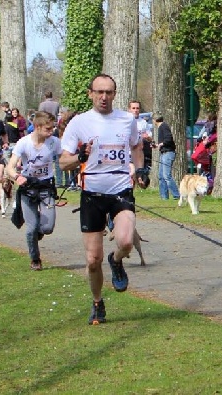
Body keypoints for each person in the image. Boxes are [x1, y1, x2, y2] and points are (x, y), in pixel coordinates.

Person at [59, 73, 149, 325]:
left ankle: (117, 259)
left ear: (114, 94)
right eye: (99, 92)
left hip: (121, 190)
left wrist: (140, 170)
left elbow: (136, 147)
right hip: (92, 194)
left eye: (109, 92)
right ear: (90, 93)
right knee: (92, 260)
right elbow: (63, 162)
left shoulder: (126, 120)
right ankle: (97, 303)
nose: (104, 97)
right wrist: (80, 156)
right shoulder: (79, 123)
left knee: (125, 240)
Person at [6, 111, 62, 271]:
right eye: (48, 129)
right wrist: (17, 177)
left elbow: (65, 158)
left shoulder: (54, 142)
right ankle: (35, 259)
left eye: (52, 129)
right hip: (27, 188)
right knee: (31, 229)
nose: (51, 132)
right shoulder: (24, 143)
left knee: (47, 228)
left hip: (46, 188)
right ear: (37, 127)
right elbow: (10, 167)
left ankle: (38, 231)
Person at [153, 113, 181, 200]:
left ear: (154, 120)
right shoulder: (161, 127)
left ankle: (177, 195)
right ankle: (164, 197)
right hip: (163, 153)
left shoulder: (163, 126)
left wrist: (161, 144)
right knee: (161, 176)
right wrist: (157, 145)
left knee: (166, 176)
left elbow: (169, 139)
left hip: (168, 153)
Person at [128, 100, 153, 169]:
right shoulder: (125, 122)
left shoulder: (143, 122)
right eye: (133, 108)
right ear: (129, 109)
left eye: (137, 108)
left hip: (139, 155)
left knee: (139, 176)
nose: (135, 110)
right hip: (126, 155)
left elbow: (150, 138)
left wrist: (147, 137)